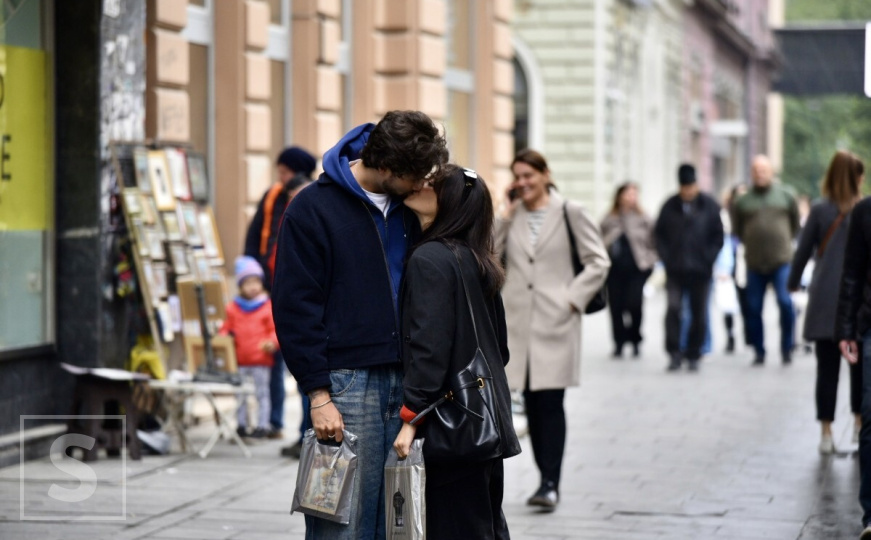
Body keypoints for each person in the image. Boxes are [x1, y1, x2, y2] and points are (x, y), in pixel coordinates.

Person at [271, 110, 448, 539]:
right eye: (416, 177)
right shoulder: (311, 208)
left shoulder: (417, 207)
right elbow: (296, 306)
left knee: (401, 526)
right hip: (346, 385)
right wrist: (317, 394)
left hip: (409, 382)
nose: (424, 185)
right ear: (386, 168)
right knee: (341, 525)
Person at [393, 164, 521, 540]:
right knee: (484, 524)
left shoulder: (429, 258)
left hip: (452, 426)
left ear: (450, 202)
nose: (419, 185)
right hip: (485, 419)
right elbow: (500, 347)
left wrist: (410, 417)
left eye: (432, 185)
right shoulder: (478, 257)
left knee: (452, 525)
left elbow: (429, 348)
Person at [495, 149, 610, 510]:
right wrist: (505, 215)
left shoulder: (570, 211)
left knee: (550, 403)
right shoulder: (511, 217)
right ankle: (544, 478)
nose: (523, 182)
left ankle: (549, 482)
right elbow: (491, 259)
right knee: (529, 401)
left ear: (546, 174)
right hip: (517, 326)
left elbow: (598, 261)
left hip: (555, 323)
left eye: (529, 175)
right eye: (518, 176)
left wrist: (571, 299)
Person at [789, 151, 864, 454]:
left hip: (824, 300)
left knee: (827, 369)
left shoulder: (820, 211)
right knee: (861, 367)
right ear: (857, 177)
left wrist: (792, 282)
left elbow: (803, 251)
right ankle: (860, 427)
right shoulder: (865, 209)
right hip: (857, 300)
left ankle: (826, 433)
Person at [243, 146, 317, 452]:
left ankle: (305, 435)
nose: (279, 178)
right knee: (271, 359)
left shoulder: (310, 200)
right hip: (272, 290)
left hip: (296, 294)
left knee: (303, 365)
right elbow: (255, 237)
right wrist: (251, 277)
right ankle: (275, 423)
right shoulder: (275, 196)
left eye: (284, 172)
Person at [653, 164, 724, 372]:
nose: (688, 191)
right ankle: (674, 352)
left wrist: (708, 258)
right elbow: (659, 235)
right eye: (684, 187)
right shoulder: (669, 206)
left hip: (701, 271)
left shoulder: (709, 205)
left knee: (699, 312)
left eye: (691, 186)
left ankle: (694, 352)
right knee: (673, 309)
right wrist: (666, 258)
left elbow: (718, 236)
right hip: (675, 270)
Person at [733, 155, 800, 365]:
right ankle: (759, 350)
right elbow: (738, 230)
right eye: (756, 170)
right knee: (753, 308)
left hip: (781, 261)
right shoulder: (743, 201)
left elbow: (795, 224)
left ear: (771, 172)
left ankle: (787, 346)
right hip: (754, 263)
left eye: (764, 170)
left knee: (785, 302)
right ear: (751, 173)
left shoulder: (786, 195)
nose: (760, 174)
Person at [835, 189, 871, 540]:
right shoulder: (864, 212)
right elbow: (852, 275)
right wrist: (845, 329)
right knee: (870, 411)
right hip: (870, 325)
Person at [219, 256, 278, 439]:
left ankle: (263, 425)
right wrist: (222, 338)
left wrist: (272, 342)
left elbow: (274, 330)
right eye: (248, 282)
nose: (253, 286)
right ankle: (242, 424)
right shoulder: (233, 308)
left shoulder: (267, 306)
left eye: (256, 281)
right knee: (240, 395)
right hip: (240, 360)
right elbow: (226, 328)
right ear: (240, 285)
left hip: (260, 358)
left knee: (262, 394)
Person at [600, 182, 657, 358]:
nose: (631, 198)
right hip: (614, 270)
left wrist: (650, 261)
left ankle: (635, 339)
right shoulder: (609, 218)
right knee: (616, 307)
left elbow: (654, 243)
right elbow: (598, 240)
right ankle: (618, 342)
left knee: (635, 305)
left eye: (634, 194)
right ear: (619, 196)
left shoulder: (644, 218)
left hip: (637, 269)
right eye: (628, 194)